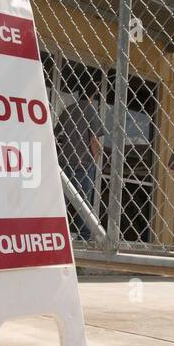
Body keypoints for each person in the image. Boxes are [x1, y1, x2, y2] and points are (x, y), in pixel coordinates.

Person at [56, 83, 104, 240]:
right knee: (83, 200)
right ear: (93, 95)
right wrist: (95, 159)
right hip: (83, 162)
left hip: (65, 160)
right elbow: (93, 139)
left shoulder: (68, 110)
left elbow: (56, 133)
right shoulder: (91, 112)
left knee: (62, 198)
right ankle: (84, 235)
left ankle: (59, 230)